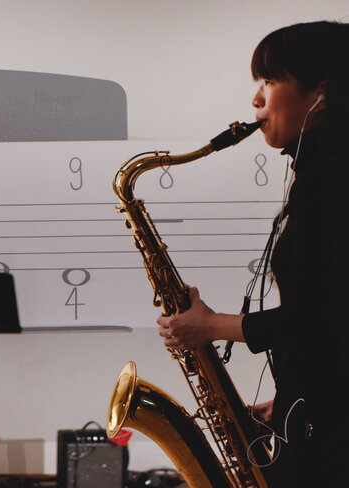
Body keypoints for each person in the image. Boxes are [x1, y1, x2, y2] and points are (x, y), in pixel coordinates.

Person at [156, 21, 349, 486]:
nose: (255, 99)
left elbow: (321, 319)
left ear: (321, 95)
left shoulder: (330, 181)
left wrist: (210, 326)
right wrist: (293, 398)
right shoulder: (319, 174)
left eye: (270, 80)